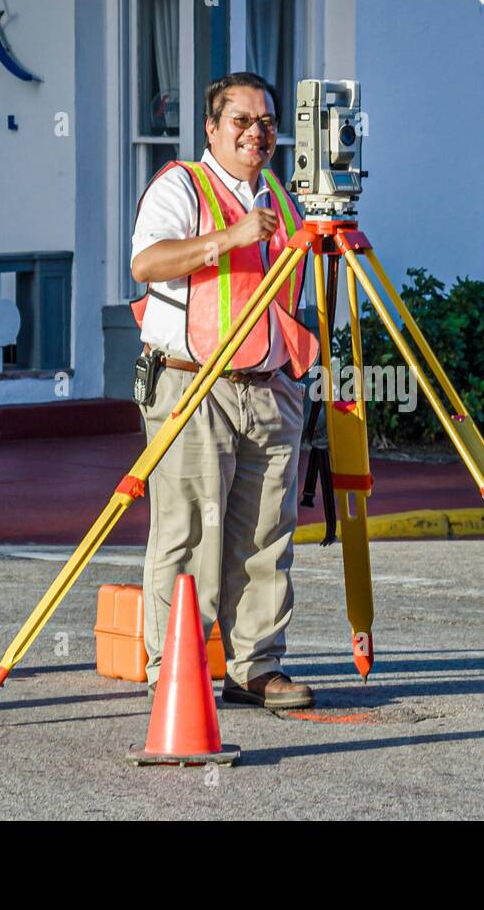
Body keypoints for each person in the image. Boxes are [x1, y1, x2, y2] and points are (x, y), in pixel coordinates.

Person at [128, 71, 318, 709]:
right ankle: (175, 670)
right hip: (191, 384)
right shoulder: (182, 184)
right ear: (212, 128)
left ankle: (255, 666)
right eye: (241, 120)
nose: (256, 132)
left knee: (267, 535)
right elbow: (147, 264)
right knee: (187, 537)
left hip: (268, 388)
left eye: (265, 121)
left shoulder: (287, 201)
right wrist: (227, 239)